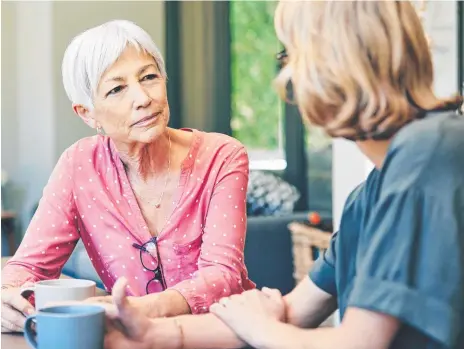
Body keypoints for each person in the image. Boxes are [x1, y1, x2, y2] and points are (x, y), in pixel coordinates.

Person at [99, 1, 464, 349]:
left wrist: (261, 327)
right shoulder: (370, 195)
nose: (287, 78)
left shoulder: (428, 153)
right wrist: (147, 332)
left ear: (340, 61)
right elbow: (294, 311)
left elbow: (358, 341)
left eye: (292, 57)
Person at [1, 19, 255, 333]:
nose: (143, 98)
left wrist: (134, 309)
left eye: (149, 77)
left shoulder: (222, 155)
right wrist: (5, 297)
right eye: (117, 88)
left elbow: (222, 276)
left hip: (223, 336)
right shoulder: (78, 165)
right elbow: (29, 266)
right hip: (134, 341)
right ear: (87, 113)